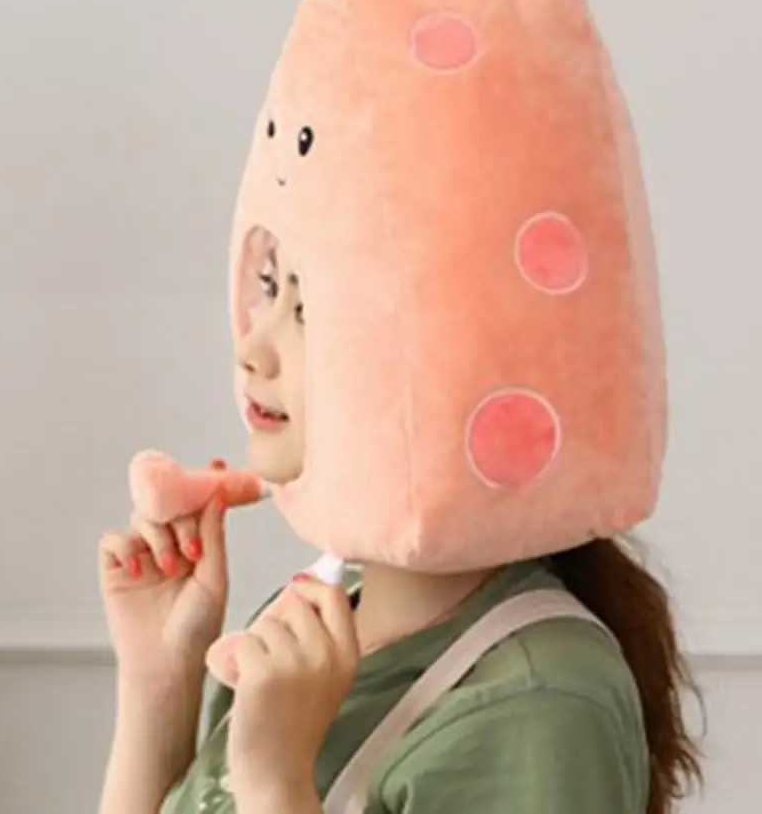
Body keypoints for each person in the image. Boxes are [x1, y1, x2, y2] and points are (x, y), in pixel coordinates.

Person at [98, 241, 704, 814]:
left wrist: (276, 783)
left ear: (441, 358)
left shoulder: (544, 700)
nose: (252, 349)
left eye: (308, 312)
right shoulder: (312, 630)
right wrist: (160, 676)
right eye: (271, 287)